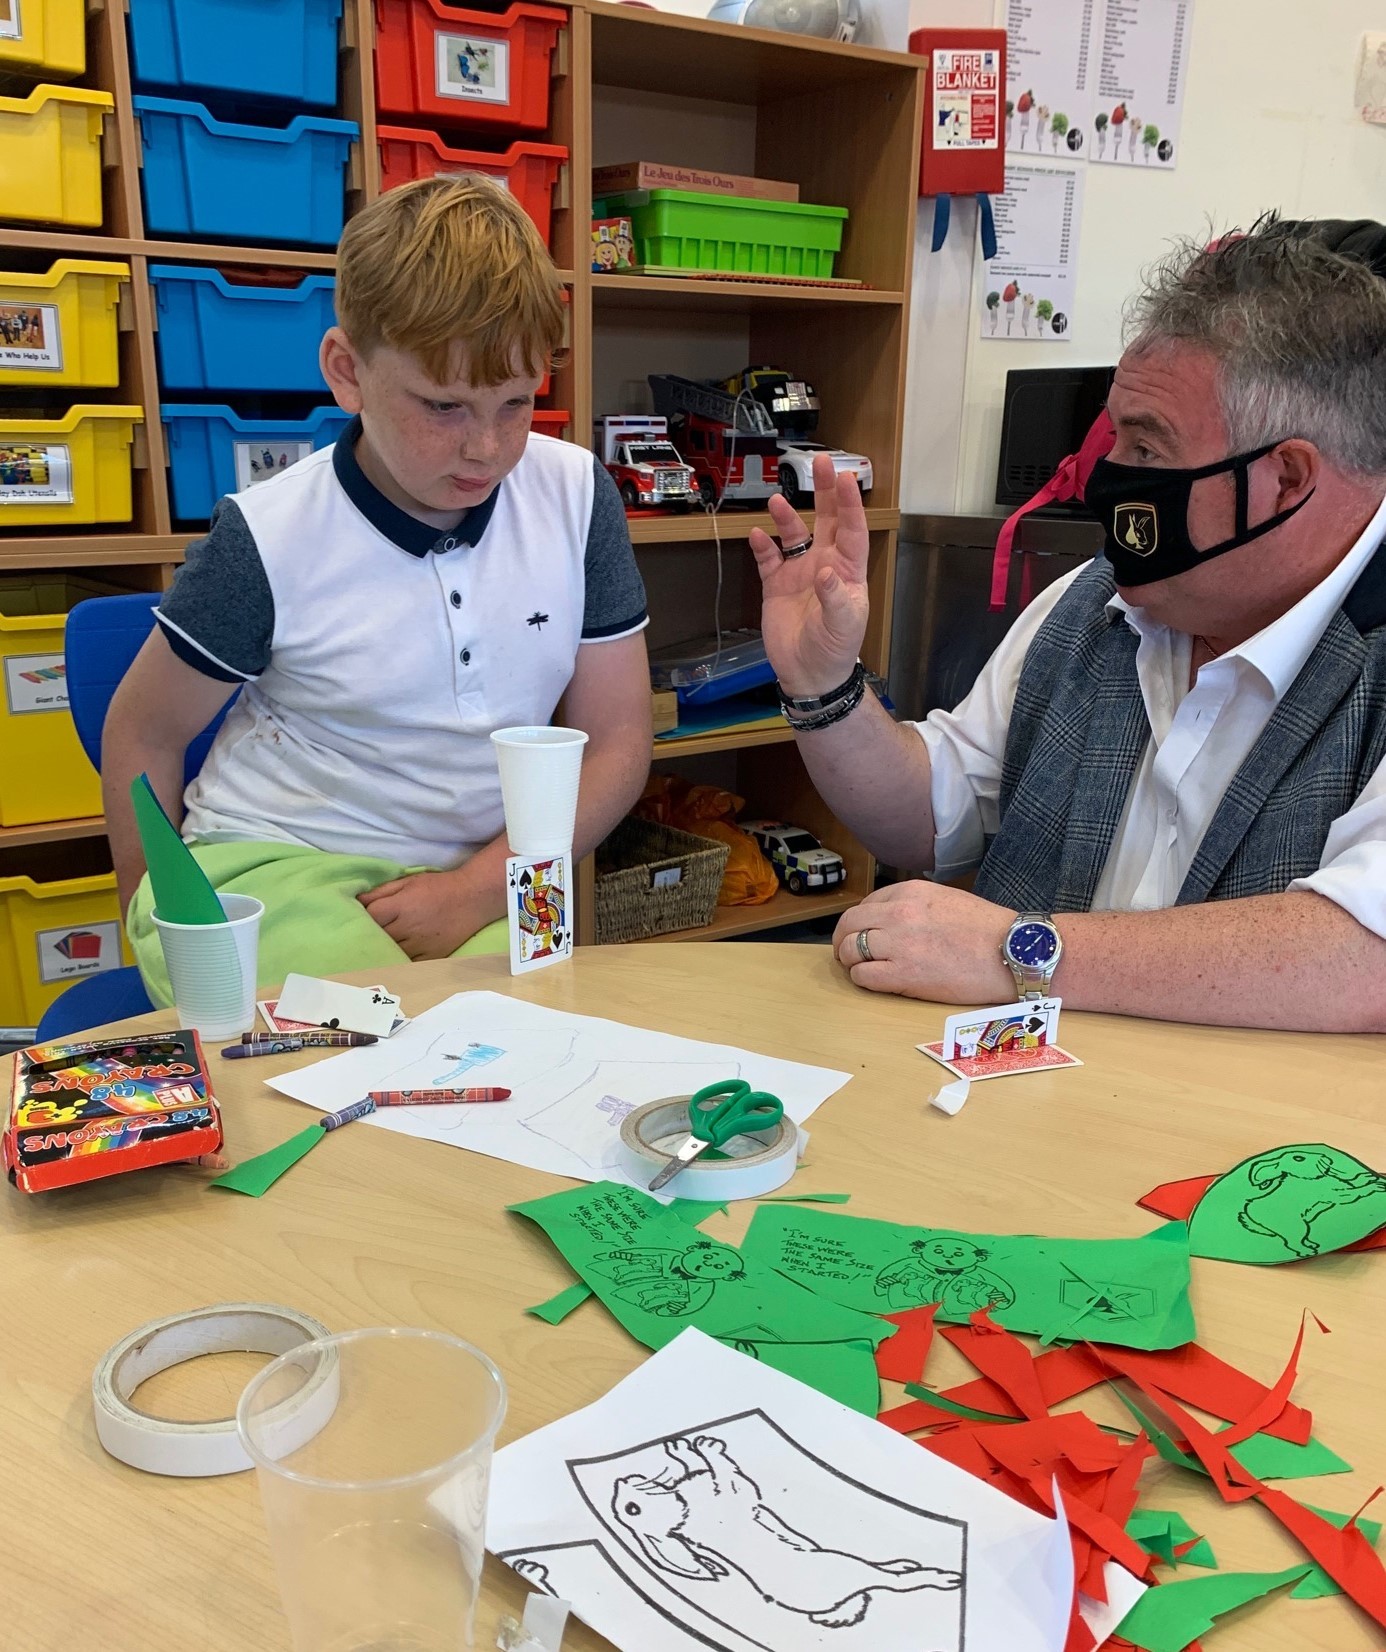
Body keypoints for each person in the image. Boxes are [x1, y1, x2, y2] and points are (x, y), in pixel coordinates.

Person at [751, 219, 1386, 1032]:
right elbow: (930, 819)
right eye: (1114, 437)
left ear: (1286, 479)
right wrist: (824, 685)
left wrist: (1019, 953)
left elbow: (1363, 954)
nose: (1103, 481)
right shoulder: (1094, 603)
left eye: (1147, 450)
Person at [105, 176, 653, 1002]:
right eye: (444, 406)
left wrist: (476, 889)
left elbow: (619, 741)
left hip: (491, 869)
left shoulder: (576, 495)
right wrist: (153, 925)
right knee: (364, 1035)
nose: (487, 448)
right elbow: (142, 732)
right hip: (278, 861)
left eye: (517, 402)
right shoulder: (268, 535)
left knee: (538, 1027)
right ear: (347, 372)